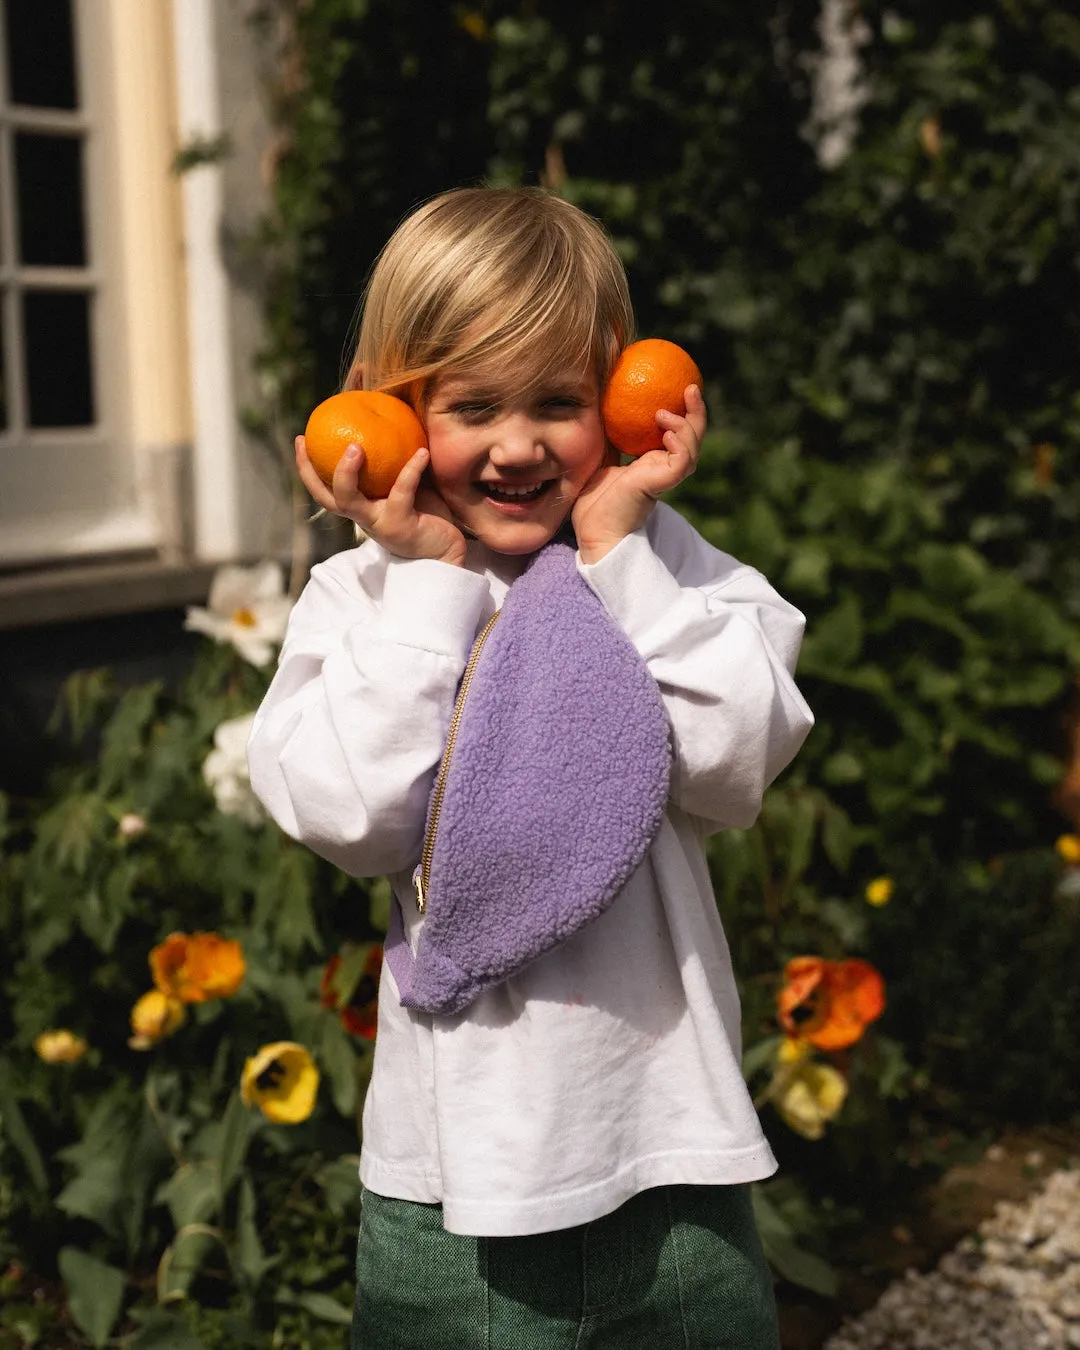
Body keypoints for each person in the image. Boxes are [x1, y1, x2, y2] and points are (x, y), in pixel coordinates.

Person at [247, 185, 814, 1349]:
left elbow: (738, 761)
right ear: (395, 409)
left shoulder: (664, 567)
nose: (518, 446)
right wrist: (430, 581)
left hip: (672, 1153)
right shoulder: (364, 599)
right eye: (472, 407)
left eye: (560, 402)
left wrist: (619, 557)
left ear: (616, 400)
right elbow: (352, 815)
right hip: (458, 1187)